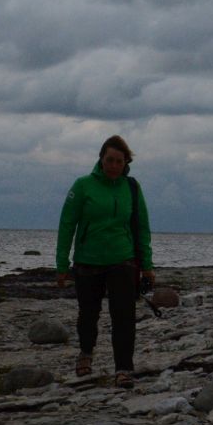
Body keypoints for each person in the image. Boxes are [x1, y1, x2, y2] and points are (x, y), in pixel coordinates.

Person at [55, 134, 155, 387]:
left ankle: (123, 369)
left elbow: (141, 227)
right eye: (109, 160)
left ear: (125, 163)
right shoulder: (83, 186)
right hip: (88, 261)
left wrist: (147, 265)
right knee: (88, 314)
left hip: (123, 260)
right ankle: (86, 352)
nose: (113, 166)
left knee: (124, 316)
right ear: (101, 160)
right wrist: (61, 265)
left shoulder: (131, 188)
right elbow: (67, 225)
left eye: (118, 161)